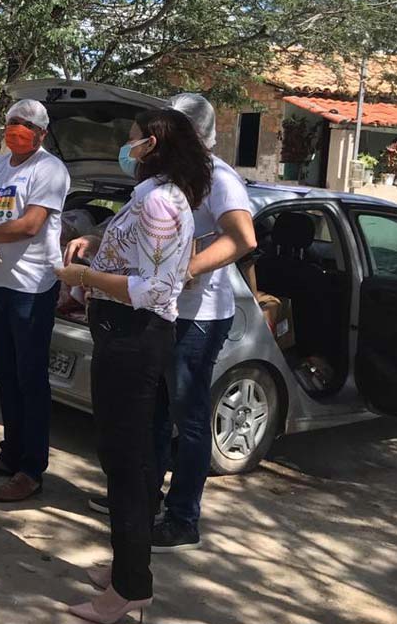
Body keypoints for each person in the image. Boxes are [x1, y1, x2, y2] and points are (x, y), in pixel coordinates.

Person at [56, 108, 212, 623]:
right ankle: (129, 566)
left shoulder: (161, 202)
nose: (125, 148)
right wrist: (99, 247)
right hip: (124, 335)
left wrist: (84, 276)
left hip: (133, 337)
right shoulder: (154, 196)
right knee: (130, 457)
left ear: (151, 145)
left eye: (131, 140)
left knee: (125, 462)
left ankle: (128, 589)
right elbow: (141, 260)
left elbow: (155, 289)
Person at [83, 94, 256, 552]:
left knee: (189, 417)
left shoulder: (218, 178)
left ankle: (182, 518)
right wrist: (96, 240)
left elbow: (243, 238)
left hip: (198, 315)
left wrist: (186, 268)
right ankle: (142, 500)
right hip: (158, 311)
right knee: (152, 414)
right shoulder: (164, 182)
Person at [0, 99, 70, 502]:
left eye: (26, 125)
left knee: (30, 379)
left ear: (41, 133)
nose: (16, 129)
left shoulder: (50, 169)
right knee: (5, 374)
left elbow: (30, 225)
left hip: (32, 288)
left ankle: (31, 469)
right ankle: (9, 455)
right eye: (12, 122)